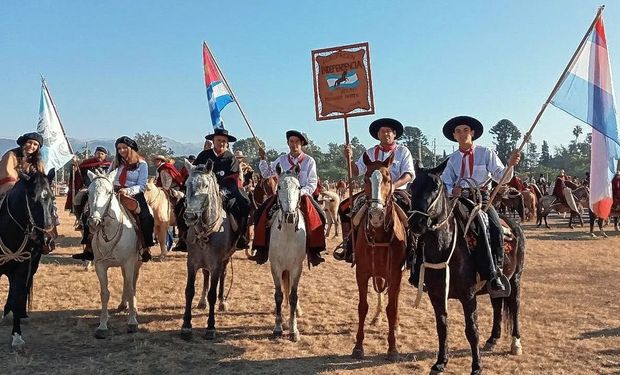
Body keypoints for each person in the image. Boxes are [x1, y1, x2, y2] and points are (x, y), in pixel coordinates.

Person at [438, 115, 520, 297]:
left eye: (465, 130)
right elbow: (445, 182)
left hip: (482, 199)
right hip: (459, 200)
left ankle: (495, 273)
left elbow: (502, 177)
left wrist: (510, 165)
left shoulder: (486, 153)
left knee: (493, 227)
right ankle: (430, 270)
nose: (462, 134)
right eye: (458, 131)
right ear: (454, 135)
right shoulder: (451, 160)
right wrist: (453, 190)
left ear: (472, 133)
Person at [334, 118, 415, 263]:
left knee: (414, 212)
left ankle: (413, 249)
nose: (386, 134)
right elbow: (355, 171)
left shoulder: (403, 151)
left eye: (389, 131)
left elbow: (408, 174)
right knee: (344, 208)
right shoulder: (370, 152)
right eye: (382, 131)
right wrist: (349, 158)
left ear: (394, 134)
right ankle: (349, 245)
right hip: (372, 193)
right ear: (378, 135)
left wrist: (393, 186)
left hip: (396, 191)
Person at [249, 130, 327, 266]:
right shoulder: (282, 159)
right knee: (259, 214)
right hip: (282, 196)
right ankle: (261, 250)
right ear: (288, 143)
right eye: (291, 141)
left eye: (297, 141)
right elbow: (267, 173)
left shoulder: (309, 161)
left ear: (301, 143)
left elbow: (312, 182)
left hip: (302, 195)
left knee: (320, 216)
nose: (294, 144)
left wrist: (299, 193)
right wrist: (262, 158)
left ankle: (315, 251)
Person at [192, 128, 251, 249]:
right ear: (213, 141)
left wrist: (222, 192)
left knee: (244, 203)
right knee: (182, 204)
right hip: (203, 192)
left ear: (227, 143)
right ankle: (183, 237)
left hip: (225, 192)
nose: (221, 143)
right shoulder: (203, 156)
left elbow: (233, 179)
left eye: (224, 141)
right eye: (218, 140)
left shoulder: (231, 159)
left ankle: (240, 235)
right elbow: (194, 173)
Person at [111, 136, 155, 262]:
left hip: (133, 193)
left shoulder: (142, 164)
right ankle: (89, 246)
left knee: (146, 217)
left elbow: (141, 185)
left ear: (131, 149)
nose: (121, 151)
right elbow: (109, 176)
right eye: (119, 148)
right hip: (114, 191)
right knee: (92, 208)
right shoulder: (115, 163)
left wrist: (127, 190)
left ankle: (146, 247)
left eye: (124, 148)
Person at [70, 146, 112, 260]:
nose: (100, 155)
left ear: (105, 155)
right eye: (98, 153)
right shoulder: (86, 164)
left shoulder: (109, 166)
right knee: (78, 198)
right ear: (95, 154)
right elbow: (77, 173)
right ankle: (80, 219)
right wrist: (75, 165)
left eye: (102, 154)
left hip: (105, 191)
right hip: (89, 189)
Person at [0, 132, 45, 196]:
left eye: (35, 144)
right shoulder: (11, 155)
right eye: (29, 142)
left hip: (32, 189)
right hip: (11, 188)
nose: (31, 146)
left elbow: (41, 177)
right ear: (24, 143)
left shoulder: (38, 162)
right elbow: (8, 174)